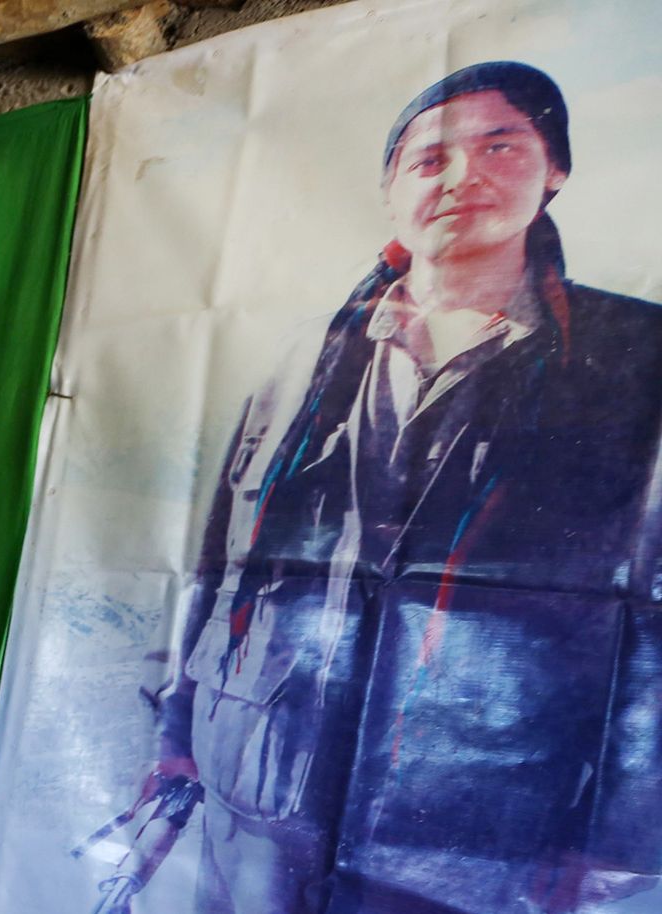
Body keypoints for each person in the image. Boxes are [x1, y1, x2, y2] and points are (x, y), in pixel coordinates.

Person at [149, 61, 662, 913]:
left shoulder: (638, 357)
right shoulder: (304, 359)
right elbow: (217, 568)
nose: (463, 176)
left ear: (555, 168)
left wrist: (621, 838)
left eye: (501, 145)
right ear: (391, 191)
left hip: (486, 827)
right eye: (429, 160)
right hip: (259, 800)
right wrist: (176, 736)